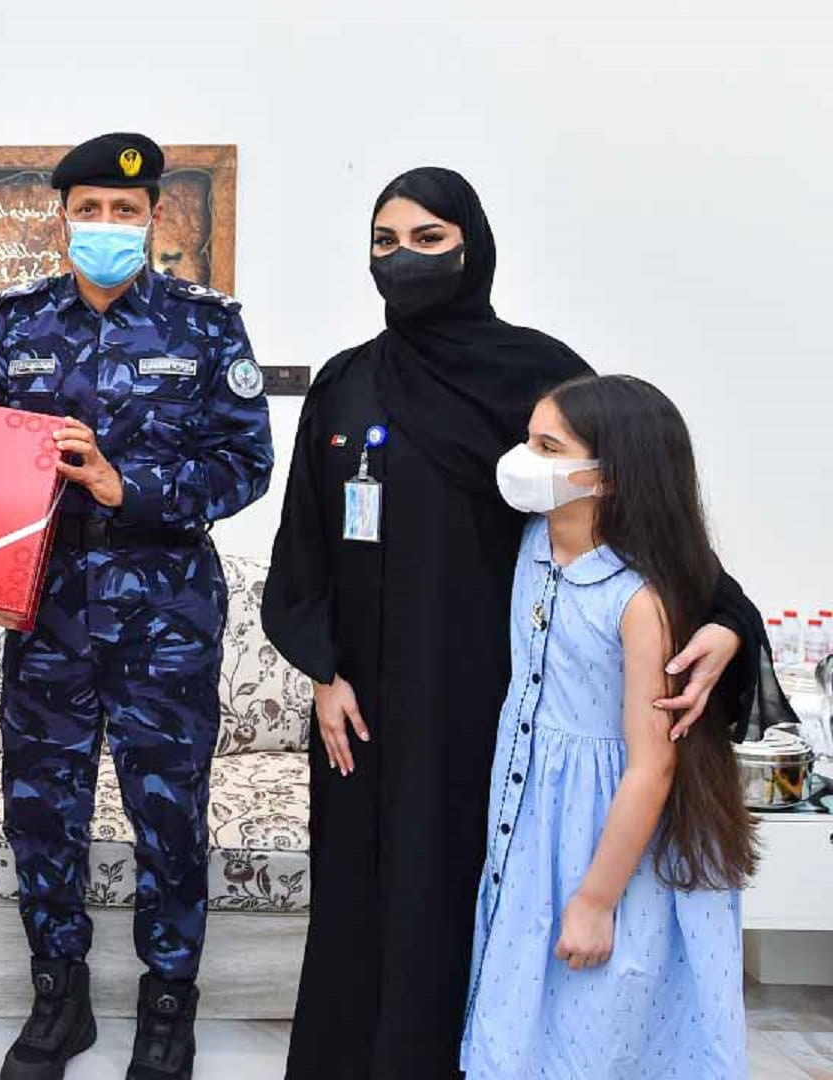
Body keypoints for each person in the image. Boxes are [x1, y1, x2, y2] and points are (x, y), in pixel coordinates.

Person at [263, 167, 780, 1079]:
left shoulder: (537, 375)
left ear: (474, 246)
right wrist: (323, 673)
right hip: (368, 713)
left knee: (468, 897)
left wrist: (730, 619)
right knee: (367, 900)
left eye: (429, 240)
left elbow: (643, 504)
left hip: (498, 710)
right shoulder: (345, 384)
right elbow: (303, 540)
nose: (403, 259)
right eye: (385, 242)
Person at [0, 133, 275, 1080]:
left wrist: (122, 485)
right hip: (46, 610)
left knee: (169, 813)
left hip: (165, 618)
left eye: (126, 211)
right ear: (62, 216)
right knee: (41, 809)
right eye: (90, 208)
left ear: (155, 221)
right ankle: (59, 997)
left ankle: (169, 1005)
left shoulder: (206, 327)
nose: (107, 225)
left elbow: (246, 466)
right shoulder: (14, 324)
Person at [457, 374, 755, 1078]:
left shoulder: (637, 601)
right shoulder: (531, 548)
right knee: (527, 1013)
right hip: (533, 828)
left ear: (609, 477)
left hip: (606, 836)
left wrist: (595, 900)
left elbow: (651, 766)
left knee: (603, 1016)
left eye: (546, 446)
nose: (523, 458)